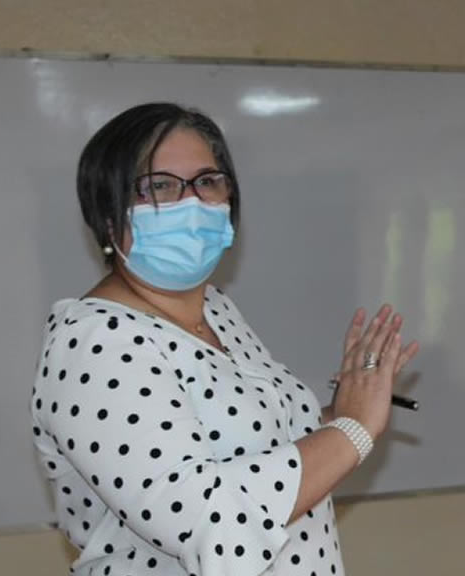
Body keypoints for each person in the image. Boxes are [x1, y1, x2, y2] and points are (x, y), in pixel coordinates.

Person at [29, 102, 418, 576]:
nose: (191, 203)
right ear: (107, 215)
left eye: (207, 181)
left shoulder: (214, 307)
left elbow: (252, 452)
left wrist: (345, 409)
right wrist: (352, 432)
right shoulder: (95, 342)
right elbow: (210, 523)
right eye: (159, 186)